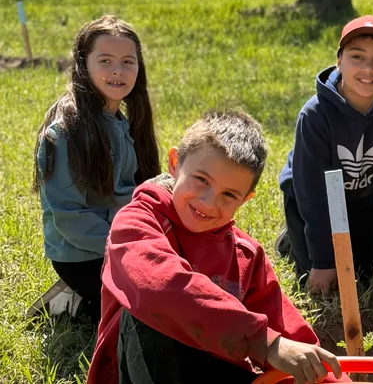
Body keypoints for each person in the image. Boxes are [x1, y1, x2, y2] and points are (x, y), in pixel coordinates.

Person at [87, 110, 348, 384]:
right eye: (201, 180)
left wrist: (319, 371)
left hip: (215, 371)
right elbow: (159, 286)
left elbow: (292, 340)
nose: (209, 202)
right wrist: (264, 342)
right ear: (175, 163)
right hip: (145, 370)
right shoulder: (136, 222)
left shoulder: (246, 254)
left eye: (228, 195)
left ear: (245, 199)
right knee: (156, 312)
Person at [31, 15, 160, 324]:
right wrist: (129, 248)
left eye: (128, 61)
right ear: (82, 64)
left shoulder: (122, 121)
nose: (118, 70)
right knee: (149, 316)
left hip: (122, 241)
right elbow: (70, 218)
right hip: (85, 254)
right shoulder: (66, 133)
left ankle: (90, 296)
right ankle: (74, 299)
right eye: (105, 60)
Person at [278, 15, 373, 295]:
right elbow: (312, 194)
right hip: (310, 202)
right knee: (321, 276)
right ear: (339, 60)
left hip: (363, 198)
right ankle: (292, 240)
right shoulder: (315, 115)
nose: (368, 68)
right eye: (357, 56)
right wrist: (323, 261)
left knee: (364, 274)